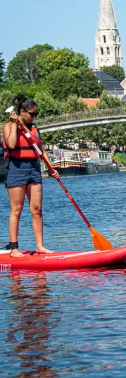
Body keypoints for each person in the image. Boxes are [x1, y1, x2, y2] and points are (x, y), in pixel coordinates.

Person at [2, 94, 58, 257]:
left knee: (37, 209)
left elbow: (41, 150)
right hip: (17, 168)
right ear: (21, 112)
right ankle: (14, 248)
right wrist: (13, 124)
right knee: (16, 209)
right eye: (31, 114)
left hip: (34, 168)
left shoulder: (34, 129)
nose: (34, 117)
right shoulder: (8, 126)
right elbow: (11, 144)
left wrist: (50, 168)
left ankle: (40, 246)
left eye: (36, 114)